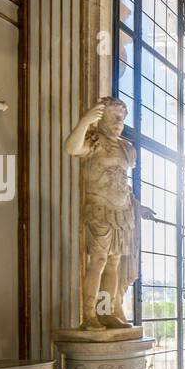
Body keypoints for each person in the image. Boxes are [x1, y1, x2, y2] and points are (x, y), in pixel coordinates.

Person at [66, 98, 153, 328]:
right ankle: (89, 316)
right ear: (100, 117)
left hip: (122, 212)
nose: (119, 122)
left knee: (114, 263)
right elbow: (71, 148)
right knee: (99, 260)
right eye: (114, 116)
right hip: (99, 210)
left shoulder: (126, 148)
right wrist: (84, 121)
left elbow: (123, 183)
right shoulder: (94, 141)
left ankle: (106, 312)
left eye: (122, 118)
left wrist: (138, 206)